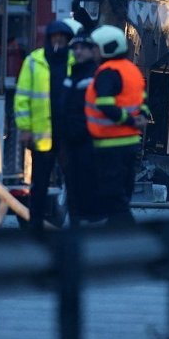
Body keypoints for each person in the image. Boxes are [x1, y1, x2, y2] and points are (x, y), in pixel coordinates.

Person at [85, 24, 150, 225]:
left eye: (95, 48)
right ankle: (118, 232)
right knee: (122, 193)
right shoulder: (132, 70)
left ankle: (124, 235)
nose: (92, 52)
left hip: (110, 144)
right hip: (130, 143)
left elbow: (105, 106)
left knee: (114, 196)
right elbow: (142, 103)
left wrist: (129, 120)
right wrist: (139, 119)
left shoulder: (107, 72)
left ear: (107, 48)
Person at [14, 20, 75, 233]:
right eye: (55, 36)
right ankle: (35, 226)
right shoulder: (34, 61)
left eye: (62, 37)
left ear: (68, 40)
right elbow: (22, 97)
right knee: (38, 185)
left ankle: (76, 227)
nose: (58, 40)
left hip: (68, 135)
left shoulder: (74, 61)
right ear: (49, 38)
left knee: (73, 182)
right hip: (42, 137)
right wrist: (25, 128)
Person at [59, 23, 102, 223]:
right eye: (74, 48)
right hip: (70, 144)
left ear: (92, 50)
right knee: (73, 191)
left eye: (82, 48)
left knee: (87, 191)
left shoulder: (93, 77)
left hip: (87, 144)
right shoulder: (73, 76)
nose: (77, 52)